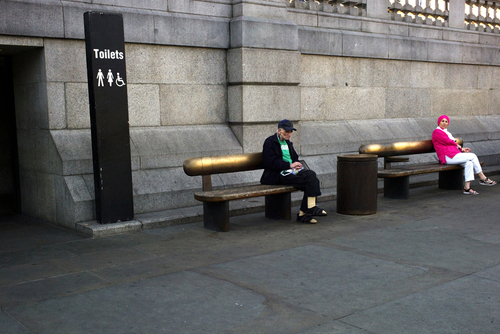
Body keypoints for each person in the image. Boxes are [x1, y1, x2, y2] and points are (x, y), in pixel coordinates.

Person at [260, 119, 327, 224]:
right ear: (279, 131)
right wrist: (289, 165)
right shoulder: (270, 142)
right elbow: (269, 163)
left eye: (290, 132)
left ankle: (310, 208)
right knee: (309, 183)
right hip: (278, 175)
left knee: (311, 175)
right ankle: (305, 213)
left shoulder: (288, 143)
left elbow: (295, 157)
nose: (289, 134)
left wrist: (297, 164)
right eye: (286, 132)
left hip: (291, 171)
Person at [431, 115, 496, 195]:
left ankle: (467, 188)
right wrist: (459, 146)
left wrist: (461, 149)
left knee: (469, 163)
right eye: (442, 121)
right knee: (473, 156)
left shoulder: (446, 132)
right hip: (446, 157)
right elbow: (448, 141)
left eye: (446, 121)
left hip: (453, 155)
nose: (444, 123)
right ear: (439, 122)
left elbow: (451, 144)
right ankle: (482, 177)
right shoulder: (437, 132)